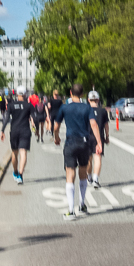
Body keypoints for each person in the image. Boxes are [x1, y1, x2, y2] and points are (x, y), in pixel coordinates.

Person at [53, 83, 102, 220]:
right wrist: (98, 142)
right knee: (83, 173)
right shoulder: (87, 107)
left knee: (70, 174)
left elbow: (56, 126)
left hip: (70, 142)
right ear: (82, 94)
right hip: (84, 142)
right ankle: (82, 204)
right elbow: (93, 124)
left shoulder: (64, 107)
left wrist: (56, 137)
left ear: (70, 92)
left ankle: (70, 210)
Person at [1, 86, 35, 184]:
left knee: (14, 153)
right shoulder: (29, 105)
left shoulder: (11, 105)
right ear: (25, 94)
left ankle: (15, 171)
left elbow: (6, 118)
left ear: (16, 94)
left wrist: (2, 130)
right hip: (25, 131)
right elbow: (33, 118)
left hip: (14, 131)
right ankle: (20, 175)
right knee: (23, 153)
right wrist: (35, 128)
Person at [88, 89, 111, 187]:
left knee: (88, 159)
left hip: (87, 136)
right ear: (98, 100)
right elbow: (106, 125)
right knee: (98, 158)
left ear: (89, 100)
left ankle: (89, 177)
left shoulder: (86, 110)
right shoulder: (103, 111)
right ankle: (95, 179)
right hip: (99, 138)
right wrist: (107, 136)